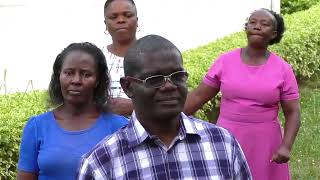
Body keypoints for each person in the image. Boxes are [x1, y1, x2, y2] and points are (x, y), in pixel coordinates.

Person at [77, 35, 252, 180]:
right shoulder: (102, 163)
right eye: (154, 79)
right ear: (128, 87)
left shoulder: (222, 144)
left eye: (177, 76)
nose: (169, 86)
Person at [184, 8, 301, 180]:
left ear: (273, 33)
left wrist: (286, 147)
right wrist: (164, 119)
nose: (257, 26)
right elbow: (198, 96)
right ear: (246, 28)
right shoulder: (225, 61)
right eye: (252, 22)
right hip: (227, 136)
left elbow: (293, 112)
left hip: (265, 141)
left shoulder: (282, 69)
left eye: (264, 24)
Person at [17, 42, 128, 180]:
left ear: (98, 80)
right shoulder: (37, 127)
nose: (76, 80)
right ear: (59, 75)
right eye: (69, 73)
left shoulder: (119, 127)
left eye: (86, 74)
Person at [103, 0, 138, 116]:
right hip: (106, 132)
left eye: (128, 15)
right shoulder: (96, 59)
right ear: (105, 24)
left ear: (137, 21)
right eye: (113, 17)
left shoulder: (154, 53)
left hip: (151, 131)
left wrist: (133, 106)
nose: (121, 20)